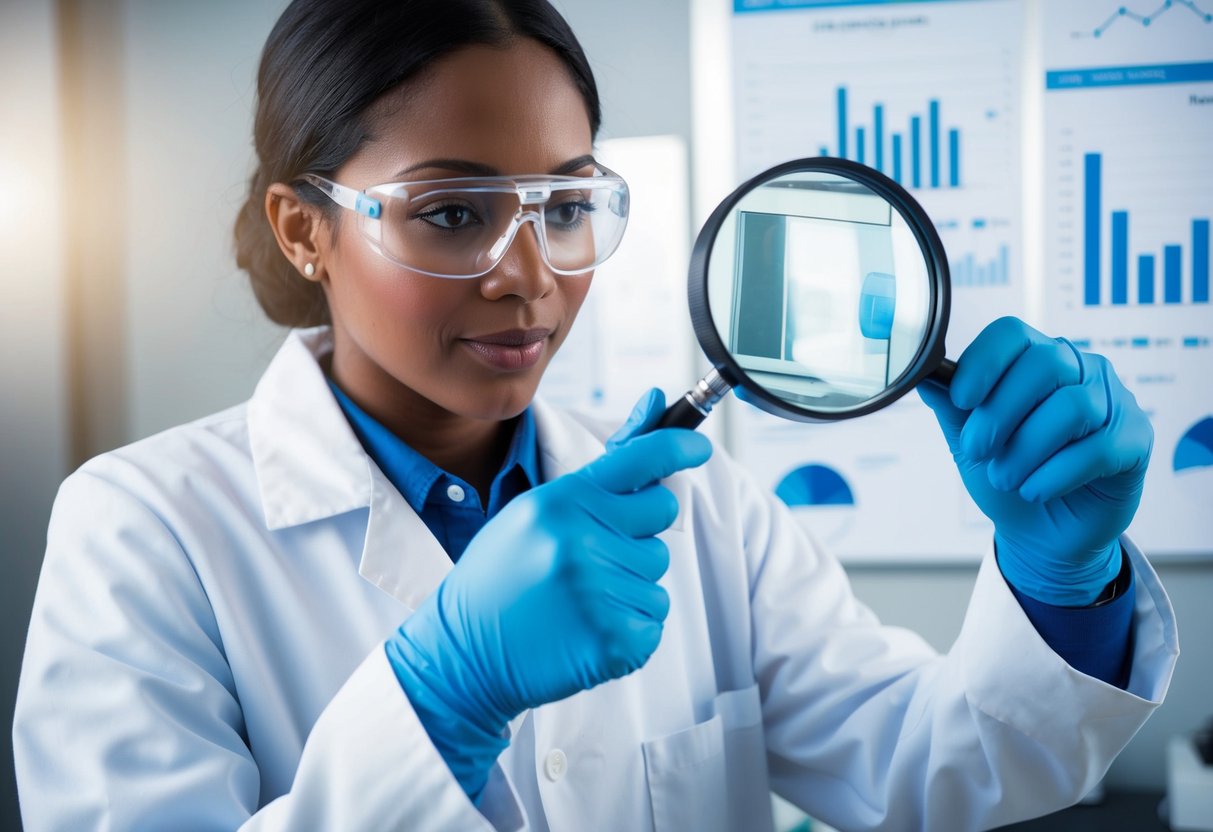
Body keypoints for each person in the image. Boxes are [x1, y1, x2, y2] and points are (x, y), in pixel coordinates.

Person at [13, 1, 1177, 830]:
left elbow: (937, 771)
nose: (529, 276)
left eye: (567, 205)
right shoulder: (140, 530)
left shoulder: (703, 506)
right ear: (303, 227)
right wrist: (439, 698)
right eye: (454, 212)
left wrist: (1057, 582)